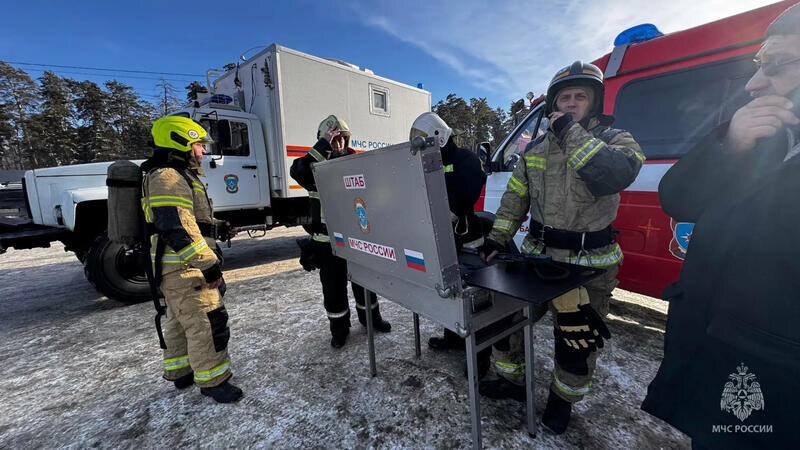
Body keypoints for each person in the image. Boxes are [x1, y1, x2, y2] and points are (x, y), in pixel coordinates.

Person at [642, 5, 800, 448]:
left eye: (776, 65)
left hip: (780, 375)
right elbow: (677, 197)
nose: (753, 83)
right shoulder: (761, 135)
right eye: (757, 65)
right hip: (720, 351)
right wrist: (729, 146)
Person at [478, 61, 645, 434]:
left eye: (579, 97)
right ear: (554, 101)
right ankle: (513, 382)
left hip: (589, 265)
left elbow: (612, 174)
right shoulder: (535, 149)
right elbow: (514, 199)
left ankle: (560, 401)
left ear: (594, 102)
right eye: (564, 98)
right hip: (537, 258)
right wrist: (497, 238)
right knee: (505, 323)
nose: (570, 104)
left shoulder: (617, 140)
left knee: (576, 342)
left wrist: (569, 131)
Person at [140, 116, 242, 403]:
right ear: (180, 142)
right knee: (206, 321)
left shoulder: (171, 174)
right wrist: (209, 267)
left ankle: (180, 372)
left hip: (173, 268)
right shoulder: (169, 178)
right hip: (185, 268)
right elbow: (178, 229)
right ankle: (214, 381)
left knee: (178, 320)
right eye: (198, 144)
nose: (202, 151)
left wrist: (217, 228)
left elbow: (189, 220)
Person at [290, 115, 392, 348]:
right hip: (326, 243)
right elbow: (297, 171)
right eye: (333, 139)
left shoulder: (356, 161)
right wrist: (323, 145)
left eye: (342, 138)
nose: (339, 143)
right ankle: (339, 330)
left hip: (357, 239)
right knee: (333, 291)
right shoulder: (315, 168)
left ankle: (371, 320)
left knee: (365, 285)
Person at [409, 112, 491, 374]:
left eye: (423, 137)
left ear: (438, 135)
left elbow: (471, 187)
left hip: (467, 237)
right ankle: (453, 337)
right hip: (440, 238)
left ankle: (479, 357)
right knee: (449, 290)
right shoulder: (427, 161)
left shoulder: (465, 158)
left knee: (473, 296)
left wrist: (450, 212)